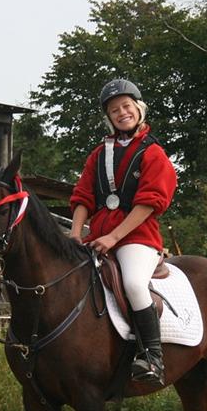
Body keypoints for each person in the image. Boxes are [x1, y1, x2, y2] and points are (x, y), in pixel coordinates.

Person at [69, 79, 177, 385]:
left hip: (137, 238)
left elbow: (150, 203)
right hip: (97, 237)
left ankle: (152, 356)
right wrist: (75, 234)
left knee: (133, 283)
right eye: (114, 110)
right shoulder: (98, 155)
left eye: (126, 106)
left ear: (139, 108)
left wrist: (114, 237)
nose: (122, 113)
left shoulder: (153, 153)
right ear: (109, 117)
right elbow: (83, 197)